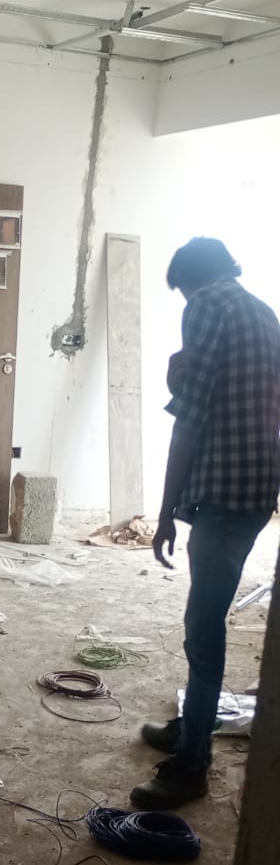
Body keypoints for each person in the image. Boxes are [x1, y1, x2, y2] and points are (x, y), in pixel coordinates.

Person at [131, 237, 280, 810]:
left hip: (222, 493)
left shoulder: (207, 306)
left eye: (182, 293)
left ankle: (192, 763)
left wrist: (164, 512)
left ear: (191, 281)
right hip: (255, 488)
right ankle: (192, 725)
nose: (184, 304)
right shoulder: (261, 311)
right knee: (207, 618)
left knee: (204, 627)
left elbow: (189, 421)